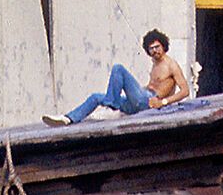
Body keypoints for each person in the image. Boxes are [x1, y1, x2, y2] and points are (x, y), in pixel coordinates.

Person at [44, 29, 190, 125]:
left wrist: (163, 102)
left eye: (157, 47)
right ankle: (68, 118)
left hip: (148, 101)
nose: (154, 51)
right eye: (151, 48)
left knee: (118, 69)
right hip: (138, 101)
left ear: (164, 46)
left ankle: (111, 104)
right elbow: (154, 85)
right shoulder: (155, 64)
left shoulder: (171, 65)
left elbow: (185, 91)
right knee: (95, 97)